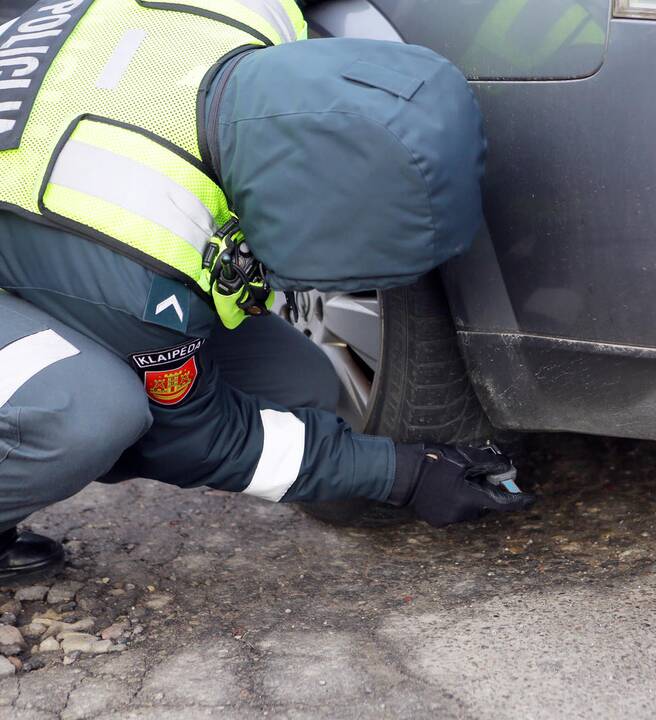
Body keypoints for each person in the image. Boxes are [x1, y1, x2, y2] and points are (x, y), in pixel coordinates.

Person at [0, 0, 534, 582]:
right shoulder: (145, 253)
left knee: (295, 383)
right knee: (87, 414)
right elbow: (199, 440)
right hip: (68, 229)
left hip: (48, 212)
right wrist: (403, 475)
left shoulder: (251, 11)